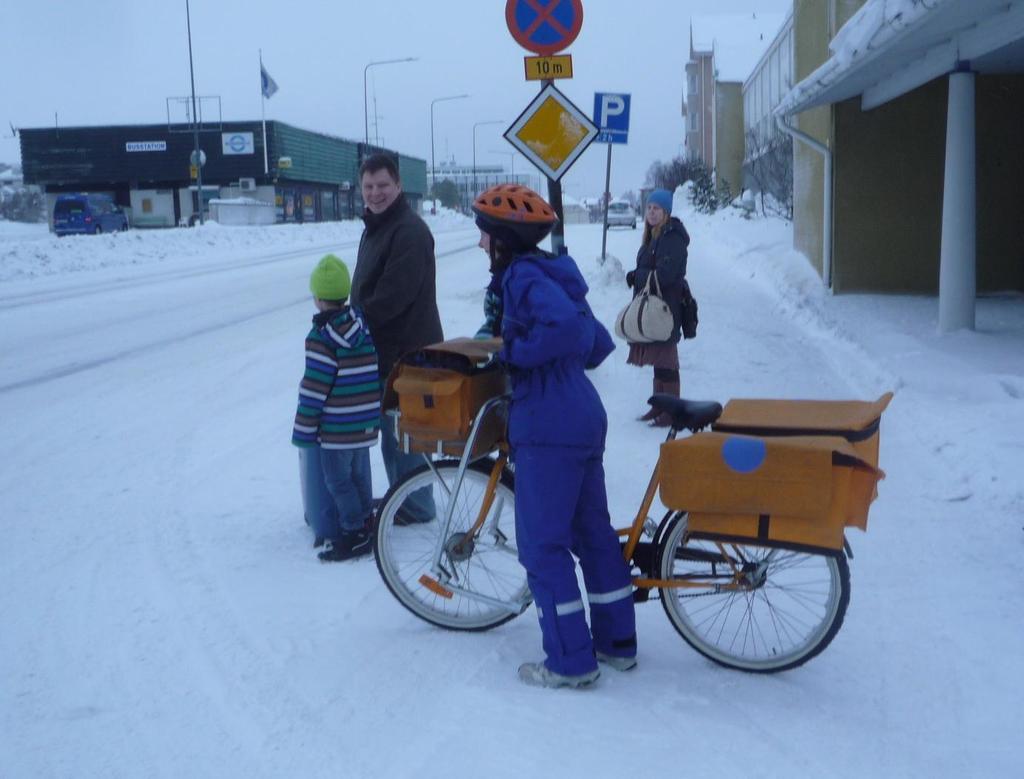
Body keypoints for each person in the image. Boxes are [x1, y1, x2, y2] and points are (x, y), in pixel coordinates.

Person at [472, 184, 637, 689]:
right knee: (592, 535)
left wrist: (515, 354)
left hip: (547, 420)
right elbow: (594, 341)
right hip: (582, 412)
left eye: (483, 234)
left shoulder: (522, 275)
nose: (480, 244)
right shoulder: (553, 272)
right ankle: (616, 645)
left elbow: (566, 329)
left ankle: (569, 661)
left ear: (502, 239)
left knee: (543, 547)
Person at [350, 154, 443, 522]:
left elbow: (391, 298)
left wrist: (352, 322)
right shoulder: (377, 227)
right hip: (386, 354)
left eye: (383, 186)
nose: (375, 194)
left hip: (409, 353)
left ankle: (417, 507)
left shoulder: (409, 231)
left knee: (407, 437)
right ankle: (405, 500)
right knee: (395, 434)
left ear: (399, 186)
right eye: (369, 187)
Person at [292, 254, 381, 562]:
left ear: (317, 299)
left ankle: (354, 533)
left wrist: (303, 432)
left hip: (337, 430)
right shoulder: (361, 327)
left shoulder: (321, 339)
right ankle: (366, 522)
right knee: (357, 477)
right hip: (364, 423)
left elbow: (314, 390)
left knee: (338, 481)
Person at [625, 188, 691, 427]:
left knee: (667, 358)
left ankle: (672, 412)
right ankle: (659, 407)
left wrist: (638, 276)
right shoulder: (654, 235)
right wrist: (639, 276)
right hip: (656, 303)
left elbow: (667, 273)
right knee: (659, 359)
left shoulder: (672, 236)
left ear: (666, 212)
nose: (652, 212)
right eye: (649, 208)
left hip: (667, 305)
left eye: (657, 209)